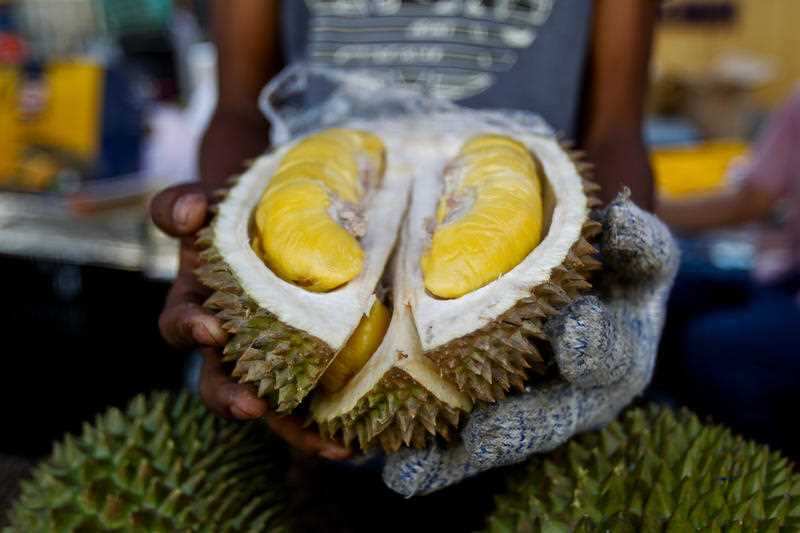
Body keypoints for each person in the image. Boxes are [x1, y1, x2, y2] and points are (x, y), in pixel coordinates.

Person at [149, 3, 673, 509]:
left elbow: (615, 128)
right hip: (298, 409)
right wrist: (219, 243)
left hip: (530, 363)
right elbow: (239, 107)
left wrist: (621, 285)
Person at [656, 86, 800, 459]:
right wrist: (635, 207)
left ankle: (770, 466)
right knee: (659, 294)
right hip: (777, 272)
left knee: (713, 345)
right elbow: (751, 200)